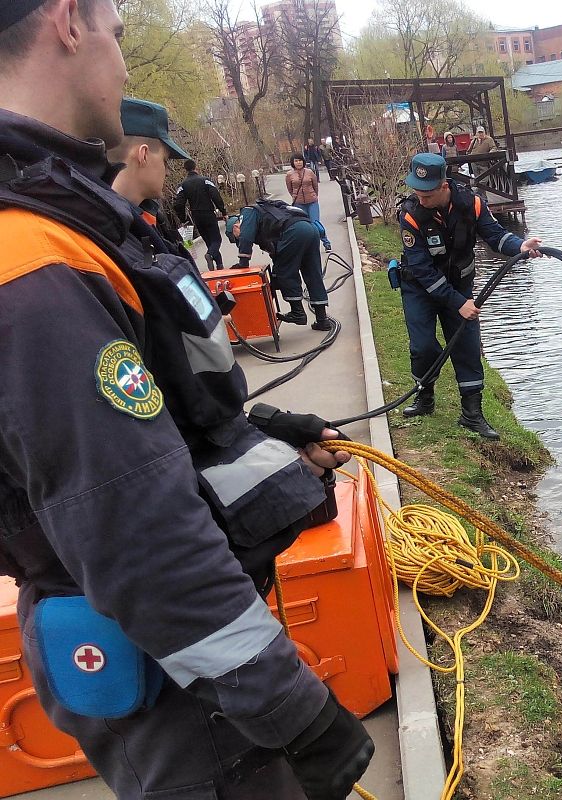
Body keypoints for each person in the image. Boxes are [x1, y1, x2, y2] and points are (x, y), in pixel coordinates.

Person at [0, 2, 373, 799]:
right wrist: (293, 712)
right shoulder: (31, 257)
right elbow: (134, 526)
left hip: (183, 655)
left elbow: (158, 432)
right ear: (69, 22)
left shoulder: (63, 221)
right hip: (169, 666)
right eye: (119, 35)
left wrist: (267, 436)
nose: (126, 66)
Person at [398, 153, 542, 439]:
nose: (421, 198)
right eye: (417, 192)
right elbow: (424, 271)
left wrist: (520, 246)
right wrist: (458, 304)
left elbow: (496, 236)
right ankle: (424, 396)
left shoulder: (473, 204)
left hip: (460, 284)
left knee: (467, 346)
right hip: (420, 289)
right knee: (423, 347)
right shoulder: (410, 215)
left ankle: (472, 414)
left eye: (427, 194)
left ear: (444, 186)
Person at [229, 198, 333, 331]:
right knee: (313, 273)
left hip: (294, 232)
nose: (238, 239)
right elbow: (276, 248)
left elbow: (246, 237)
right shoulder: (266, 212)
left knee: (285, 272)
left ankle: (298, 313)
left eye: (235, 237)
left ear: (235, 226)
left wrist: (243, 263)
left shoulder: (248, 212)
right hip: (310, 229)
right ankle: (322, 320)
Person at [110, 97, 192, 255]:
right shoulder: (111, 236)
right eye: (165, 160)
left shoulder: (140, 222)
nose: (167, 172)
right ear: (144, 155)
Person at [173, 157, 228, 270]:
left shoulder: (183, 185)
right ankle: (210, 256)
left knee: (209, 241)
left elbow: (178, 204)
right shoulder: (205, 180)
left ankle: (219, 265)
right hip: (208, 213)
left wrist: (183, 219)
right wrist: (223, 211)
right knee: (216, 239)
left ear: (185, 170)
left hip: (196, 216)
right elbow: (216, 196)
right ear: (196, 167)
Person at [285, 152, 332, 251]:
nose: (298, 163)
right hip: (299, 203)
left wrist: (314, 195)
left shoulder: (309, 172)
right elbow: (290, 188)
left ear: (303, 161)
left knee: (315, 223)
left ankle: (326, 242)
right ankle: (308, 247)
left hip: (312, 201)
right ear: (293, 163)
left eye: (300, 160)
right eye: (296, 161)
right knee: (304, 225)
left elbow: (315, 186)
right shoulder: (289, 175)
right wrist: (295, 197)